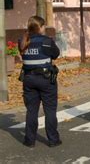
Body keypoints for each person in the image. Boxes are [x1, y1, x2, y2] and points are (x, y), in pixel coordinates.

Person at [19, 16, 61, 148]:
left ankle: (29, 140)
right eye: (44, 26)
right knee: (50, 110)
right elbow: (56, 54)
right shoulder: (46, 41)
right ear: (40, 27)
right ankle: (53, 140)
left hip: (28, 79)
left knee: (31, 111)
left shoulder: (23, 41)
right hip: (46, 79)